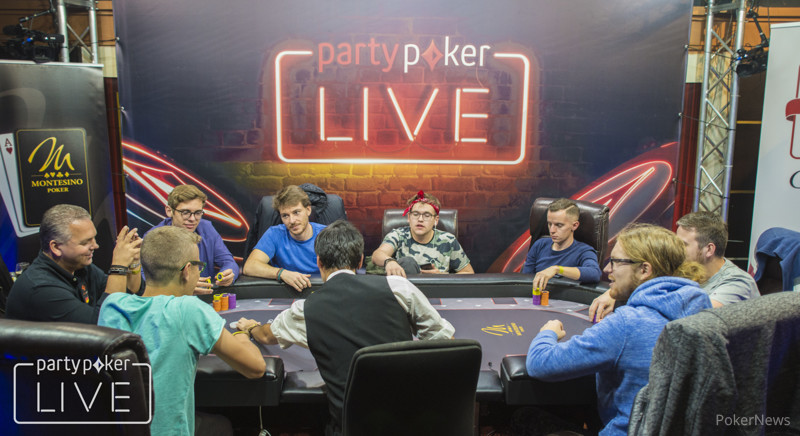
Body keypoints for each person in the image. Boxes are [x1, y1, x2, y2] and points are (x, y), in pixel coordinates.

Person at [237, 220, 454, 435]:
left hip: (349, 427)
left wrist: (249, 328)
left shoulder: (305, 310)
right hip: (412, 423)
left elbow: (266, 336)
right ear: (359, 262)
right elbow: (445, 341)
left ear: (319, 262)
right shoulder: (398, 287)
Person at [526, 223, 712, 436]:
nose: (607, 270)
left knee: (526, 418)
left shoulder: (626, 323)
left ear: (644, 270)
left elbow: (540, 363)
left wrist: (548, 332)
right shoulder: (702, 307)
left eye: (615, 262)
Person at [98, 226, 266, 436]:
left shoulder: (112, 306)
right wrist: (243, 334)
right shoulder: (188, 309)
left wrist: (125, 263)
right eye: (199, 266)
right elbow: (256, 368)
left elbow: (120, 292)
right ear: (187, 270)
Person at [589, 212, 758, 321]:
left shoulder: (738, 283)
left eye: (682, 244)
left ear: (709, 249)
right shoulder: (683, 269)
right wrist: (614, 293)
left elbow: (695, 317)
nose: (675, 247)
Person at [6, 204, 142, 323]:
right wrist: (119, 266)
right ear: (56, 247)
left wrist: (133, 263)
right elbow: (106, 323)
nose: (95, 246)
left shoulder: (80, 267)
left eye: (94, 238)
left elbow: (130, 297)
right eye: (85, 242)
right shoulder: (41, 289)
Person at [146, 184, 239, 294]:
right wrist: (181, 287)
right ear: (169, 211)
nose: (192, 219)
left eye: (198, 213)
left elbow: (229, 262)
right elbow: (144, 279)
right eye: (185, 213)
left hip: (206, 298)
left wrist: (228, 274)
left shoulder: (207, 228)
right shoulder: (154, 237)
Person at [370, 190, 474, 277]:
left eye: (427, 215)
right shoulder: (398, 235)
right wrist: (389, 261)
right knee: (408, 262)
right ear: (409, 217)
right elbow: (377, 255)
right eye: (415, 214)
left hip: (437, 290)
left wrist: (442, 276)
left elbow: (469, 273)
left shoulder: (448, 240)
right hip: (405, 289)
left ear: (436, 220)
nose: (420, 219)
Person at [243, 185, 325, 292]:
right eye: (285, 215)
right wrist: (281, 273)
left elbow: (344, 270)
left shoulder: (327, 234)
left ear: (308, 210)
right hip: (286, 293)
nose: (292, 221)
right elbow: (249, 267)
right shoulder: (275, 234)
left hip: (321, 292)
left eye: (296, 212)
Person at [522, 198, 602, 291]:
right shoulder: (539, 245)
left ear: (574, 225)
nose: (552, 230)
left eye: (559, 225)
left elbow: (594, 273)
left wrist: (557, 269)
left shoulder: (584, 251)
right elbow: (524, 280)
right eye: (549, 224)